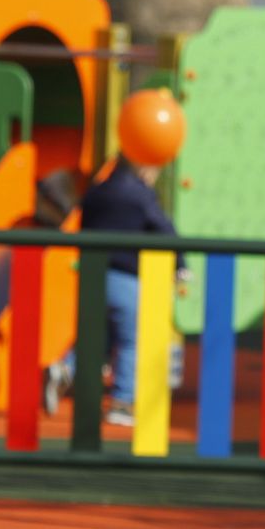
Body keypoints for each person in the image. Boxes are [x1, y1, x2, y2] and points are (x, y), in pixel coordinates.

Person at [43, 154, 183, 426]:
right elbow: (163, 229)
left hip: (93, 273)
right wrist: (180, 263)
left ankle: (64, 368)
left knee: (97, 335)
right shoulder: (140, 195)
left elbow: (84, 223)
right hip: (125, 274)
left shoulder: (98, 191)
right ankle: (122, 401)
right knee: (132, 338)